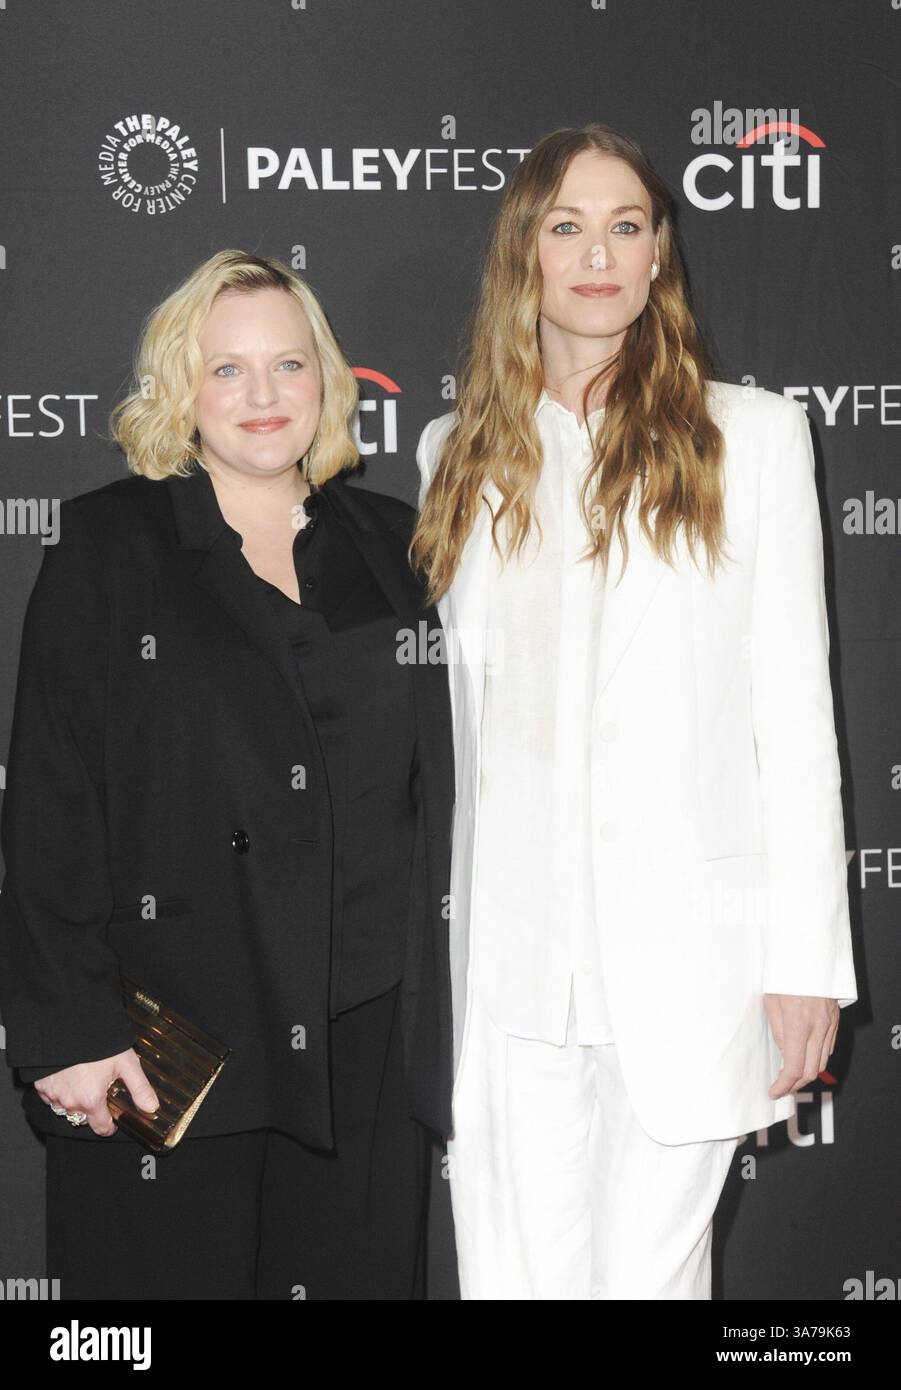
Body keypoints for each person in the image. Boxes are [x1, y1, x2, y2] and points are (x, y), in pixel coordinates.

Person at [410, 122, 858, 1300]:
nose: (596, 254)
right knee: (510, 1283)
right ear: (526, 256)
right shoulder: (452, 454)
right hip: (509, 967)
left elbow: (795, 718)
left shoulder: (751, 439)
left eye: (624, 225)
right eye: (566, 227)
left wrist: (807, 960)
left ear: (659, 255)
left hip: (690, 957)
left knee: (655, 1285)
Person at [0, 249, 455, 1300]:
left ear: (327, 384)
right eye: (228, 370)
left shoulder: (399, 546)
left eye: (288, 367)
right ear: (181, 390)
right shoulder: (112, 544)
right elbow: (53, 801)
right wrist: (68, 1030)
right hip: (171, 1045)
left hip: (366, 1041)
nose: (262, 396)